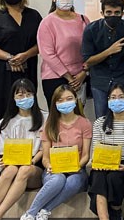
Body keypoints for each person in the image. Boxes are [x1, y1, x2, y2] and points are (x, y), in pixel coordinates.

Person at [23, 85, 91, 220]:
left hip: (77, 170)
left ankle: (44, 210)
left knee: (73, 182)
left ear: (75, 99)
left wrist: (77, 166)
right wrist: (49, 166)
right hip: (54, 170)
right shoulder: (50, 124)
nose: (65, 102)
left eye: (69, 98)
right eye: (60, 100)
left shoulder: (84, 123)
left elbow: (86, 155)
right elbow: (45, 157)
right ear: (55, 103)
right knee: (58, 179)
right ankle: (30, 214)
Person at [0, 79, 46, 220]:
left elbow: (44, 148)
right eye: (20, 95)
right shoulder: (5, 123)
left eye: (29, 94)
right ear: (13, 98)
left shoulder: (44, 118)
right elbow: (3, 152)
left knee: (24, 169)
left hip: (34, 167)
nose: (25, 98)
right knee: (10, 169)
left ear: (34, 96)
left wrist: (32, 161)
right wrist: (4, 161)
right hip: (12, 166)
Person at [88, 84, 124, 220]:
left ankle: (116, 210)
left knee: (113, 178)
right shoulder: (100, 122)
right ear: (108, 100)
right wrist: (97, 162)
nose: (116, 100)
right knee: (99, 176)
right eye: (113, 97)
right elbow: (95, 148)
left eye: (121, 97)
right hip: (103, 162)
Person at [82, 0, 124, 118]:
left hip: (123, 79)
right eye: (108, 12)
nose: (112, 16)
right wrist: (109, 51)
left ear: (122, 13)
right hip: (100, 81)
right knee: (102, 119)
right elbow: (88, 61)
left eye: (116, 12)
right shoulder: (91, 30)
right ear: (102, 12)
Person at [37, 0, 88, 107]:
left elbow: (91, 49)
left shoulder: (83, 19)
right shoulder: (47, 22)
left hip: (80, 78)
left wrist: (84, 73)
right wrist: (69, 77)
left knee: (78, 117)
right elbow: (48, 54)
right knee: (58, 119)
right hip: (55, 78)